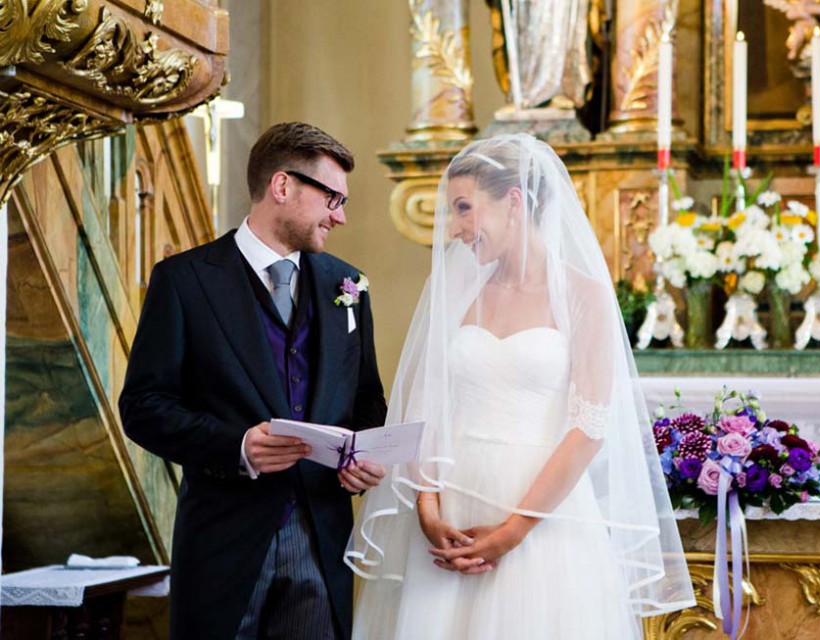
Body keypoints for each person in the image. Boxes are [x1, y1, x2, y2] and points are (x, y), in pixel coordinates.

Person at [345, 134, 694, 639]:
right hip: (452, 515)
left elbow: (588, 428)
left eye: (465, 209)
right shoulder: (458, 291)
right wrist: (427, 508)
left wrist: (512, 532)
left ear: (513, 201)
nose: (458, 228)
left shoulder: (584, 295)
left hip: (540, 518)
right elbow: (427, 409)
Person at [119, 122, 388, 640]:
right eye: (332, 197)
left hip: (322, 541)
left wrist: (363, 458)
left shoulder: (347, 285)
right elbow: (144, 406)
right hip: (225, 543)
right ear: (282, 187)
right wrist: (237, 445)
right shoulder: (185, 280)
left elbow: (365, 398)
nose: (341, 216)